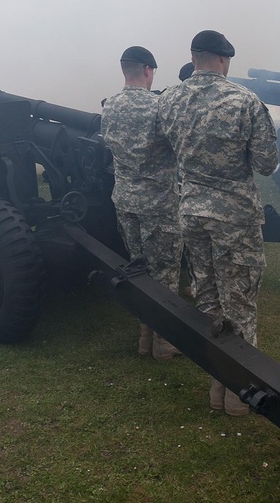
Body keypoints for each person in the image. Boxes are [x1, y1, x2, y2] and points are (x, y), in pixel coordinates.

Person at [158, 30, 279, 416]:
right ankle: (239, 397)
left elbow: (166, 150)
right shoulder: (244, 100)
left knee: (209, 302)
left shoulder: (169, 99)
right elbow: (266, 164)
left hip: (191, 210)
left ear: (194, 59)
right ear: (224, 61)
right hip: (234, 217)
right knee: (239, 302)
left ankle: (217, 388)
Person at [101, 46, 183, 361]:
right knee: (164, 275)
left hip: (125, 201)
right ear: (148, 71)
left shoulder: (110, 107)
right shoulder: (160, 107)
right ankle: (164, 344)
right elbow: (178, 147)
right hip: (158, 204)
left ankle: (145, 338)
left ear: (126, 71)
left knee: (139, 270)